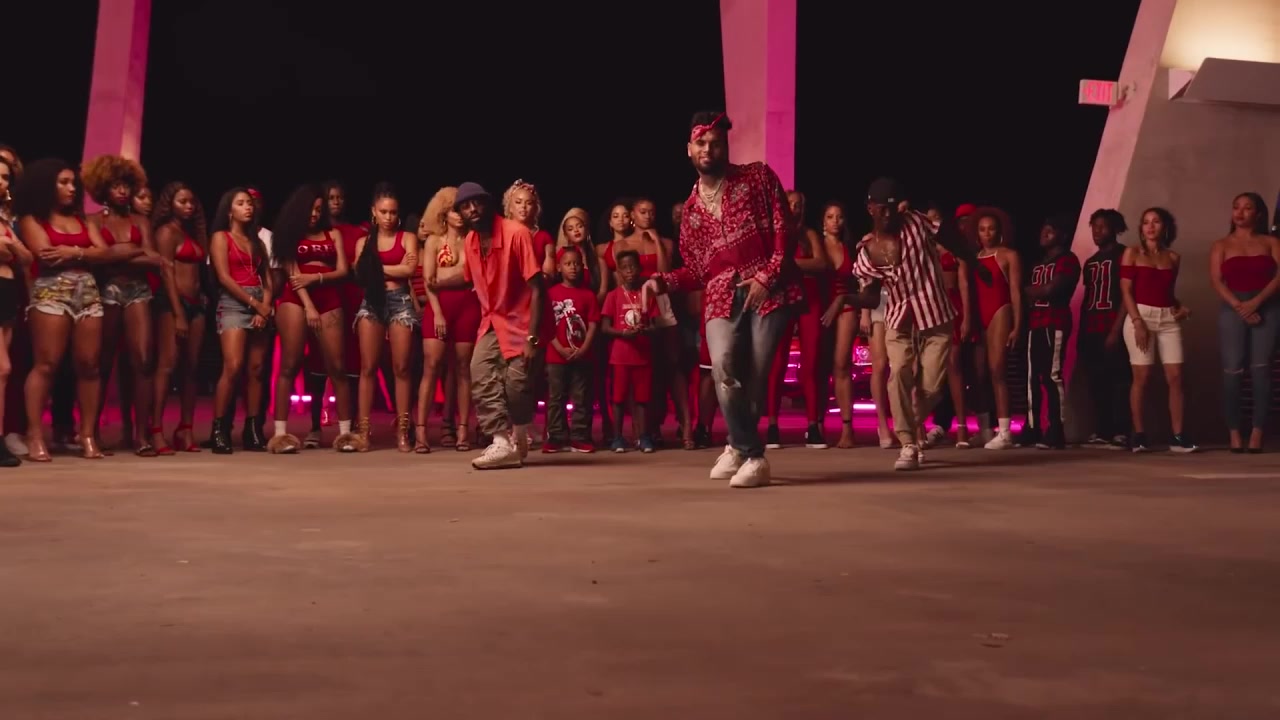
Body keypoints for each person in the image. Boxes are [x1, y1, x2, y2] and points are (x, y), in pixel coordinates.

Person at [641, 111, 802, 488]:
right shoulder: (691, 212)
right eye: (701, 143)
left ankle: (739, 447)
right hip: (720, 295)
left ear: (726, 147)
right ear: (689, 149)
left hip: (769, 288)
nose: (708, 149)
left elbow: (785, 232)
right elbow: (698, 272)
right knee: (724, 368)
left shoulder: (757, 177)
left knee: (756, 374)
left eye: (715, 143)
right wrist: (661, 282)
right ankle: (749, 451)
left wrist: (766, 277)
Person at [851, 177, 987, 471]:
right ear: (870, 208)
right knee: (899, 371)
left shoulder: (916, 222)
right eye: (882, 209)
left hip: (935, 315)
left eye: (892, 208)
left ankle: (911, 426)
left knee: (933, 386)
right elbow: (871, 297)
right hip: (899, 318)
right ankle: (908, 443)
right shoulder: (866, 250)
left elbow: (950, 239)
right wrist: (845, 300)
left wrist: (976, 263)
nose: (888, 215)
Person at [454, 182, 545, 470]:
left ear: (488, 203)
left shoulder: (516, 233)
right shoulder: (470, 241)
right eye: (465, 206)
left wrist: (532, 338)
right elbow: (469, 281)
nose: (472, 209)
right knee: (479, 371)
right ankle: (501, 442)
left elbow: (538, 289)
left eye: (477, 203)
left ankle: (519, 435)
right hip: (493, 321)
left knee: (516, 386)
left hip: (523, 323)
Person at [1120, 207, 1196, 453]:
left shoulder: (1173, 257)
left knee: (1176, 376)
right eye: (1146, 222)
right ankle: (1139, 435)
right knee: (1142, 376)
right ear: (1141, 228)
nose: (1150, 226)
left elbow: (1167, 293)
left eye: (1156, 222)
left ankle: (1178, 436)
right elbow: (1126, 291)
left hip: (1168, 320)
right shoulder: (1132, 253)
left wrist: (1181, 308)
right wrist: (1137, 322)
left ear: (1165, 227)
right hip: (1140, 316)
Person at [1209, 192, 1279, 453]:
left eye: (1247, 208)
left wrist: (1256, 302)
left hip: (1268, 307)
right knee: (1232, 372)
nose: (1240, 212)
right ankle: (1235, 433)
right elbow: (1216, 281)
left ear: (1258, 214)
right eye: (1236, 207)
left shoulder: (1271, 242)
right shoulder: (1221, 245)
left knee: (1261, 369)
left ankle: (1257, 433)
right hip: (1232, 308)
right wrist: (1241, 307)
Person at [1020, 214, 1080, 449]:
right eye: (1043, 229)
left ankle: (1056, 429)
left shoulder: (1068, 260)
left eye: (1051, 230)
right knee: (1032, 377)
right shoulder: (1038, 263)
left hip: (1055, 321)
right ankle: (1032, 427)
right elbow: (1035, 291)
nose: (1044, 233)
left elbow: (1051, 289)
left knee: (1052, 375)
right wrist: (1032, 292)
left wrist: (1025, 291)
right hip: (1035, 323)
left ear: (1062, 235)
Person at [1079, 209, 1131, 449]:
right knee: (1096, 380)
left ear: (1115, 229)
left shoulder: (1124, 255)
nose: (1097, 231)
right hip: (1092, 327)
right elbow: (1087, 298)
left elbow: (1127, 295)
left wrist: (1116, 330)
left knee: (1119, 379)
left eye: (1103, 226)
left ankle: (1122, 430)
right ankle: (1103, 429)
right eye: (1094, 226)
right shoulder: (1090, 263)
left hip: (1113, 325)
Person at [544, 246, 599, 453]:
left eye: (576, 263)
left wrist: (584, 348)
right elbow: (546, 326)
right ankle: (556, 436)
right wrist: (559, 348)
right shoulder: (551, 294)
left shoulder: (588, 295)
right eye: (568, 264)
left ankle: (580, 436)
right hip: (556, 357)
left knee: (581, 397)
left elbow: (593, 324)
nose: (573, 267)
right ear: (559, 267)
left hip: (582, 356)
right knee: (556, 397)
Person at [603, 250, 659, 452]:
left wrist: (645, 330)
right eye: (625, 268)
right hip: (620, 356)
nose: (629, 271)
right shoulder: (613, 296)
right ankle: (617, 437)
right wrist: (622, 333)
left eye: (633, 266)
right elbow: (605, 327)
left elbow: (655, 325)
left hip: (642, 356)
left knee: (642, 399)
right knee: (618, 399)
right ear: (618, 272)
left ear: (640, 268)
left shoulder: (647, 294)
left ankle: (643, 437)